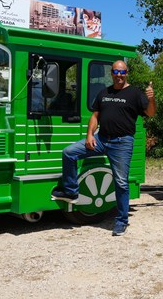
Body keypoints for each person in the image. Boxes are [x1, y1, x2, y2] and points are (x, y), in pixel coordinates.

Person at [51, 60, 155, 236]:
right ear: (111, 73)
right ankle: (71, 192)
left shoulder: (135, 93)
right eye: (116, 72)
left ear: (127, 73)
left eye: (122, 72)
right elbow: (94, 116)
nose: (119, 75)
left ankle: (121, 221)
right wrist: (90, 135)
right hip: (101, 139)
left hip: (122, 143)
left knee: (121, 182)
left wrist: (151, 99)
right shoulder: (104, 93)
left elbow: (151, 113)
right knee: (69, 153)